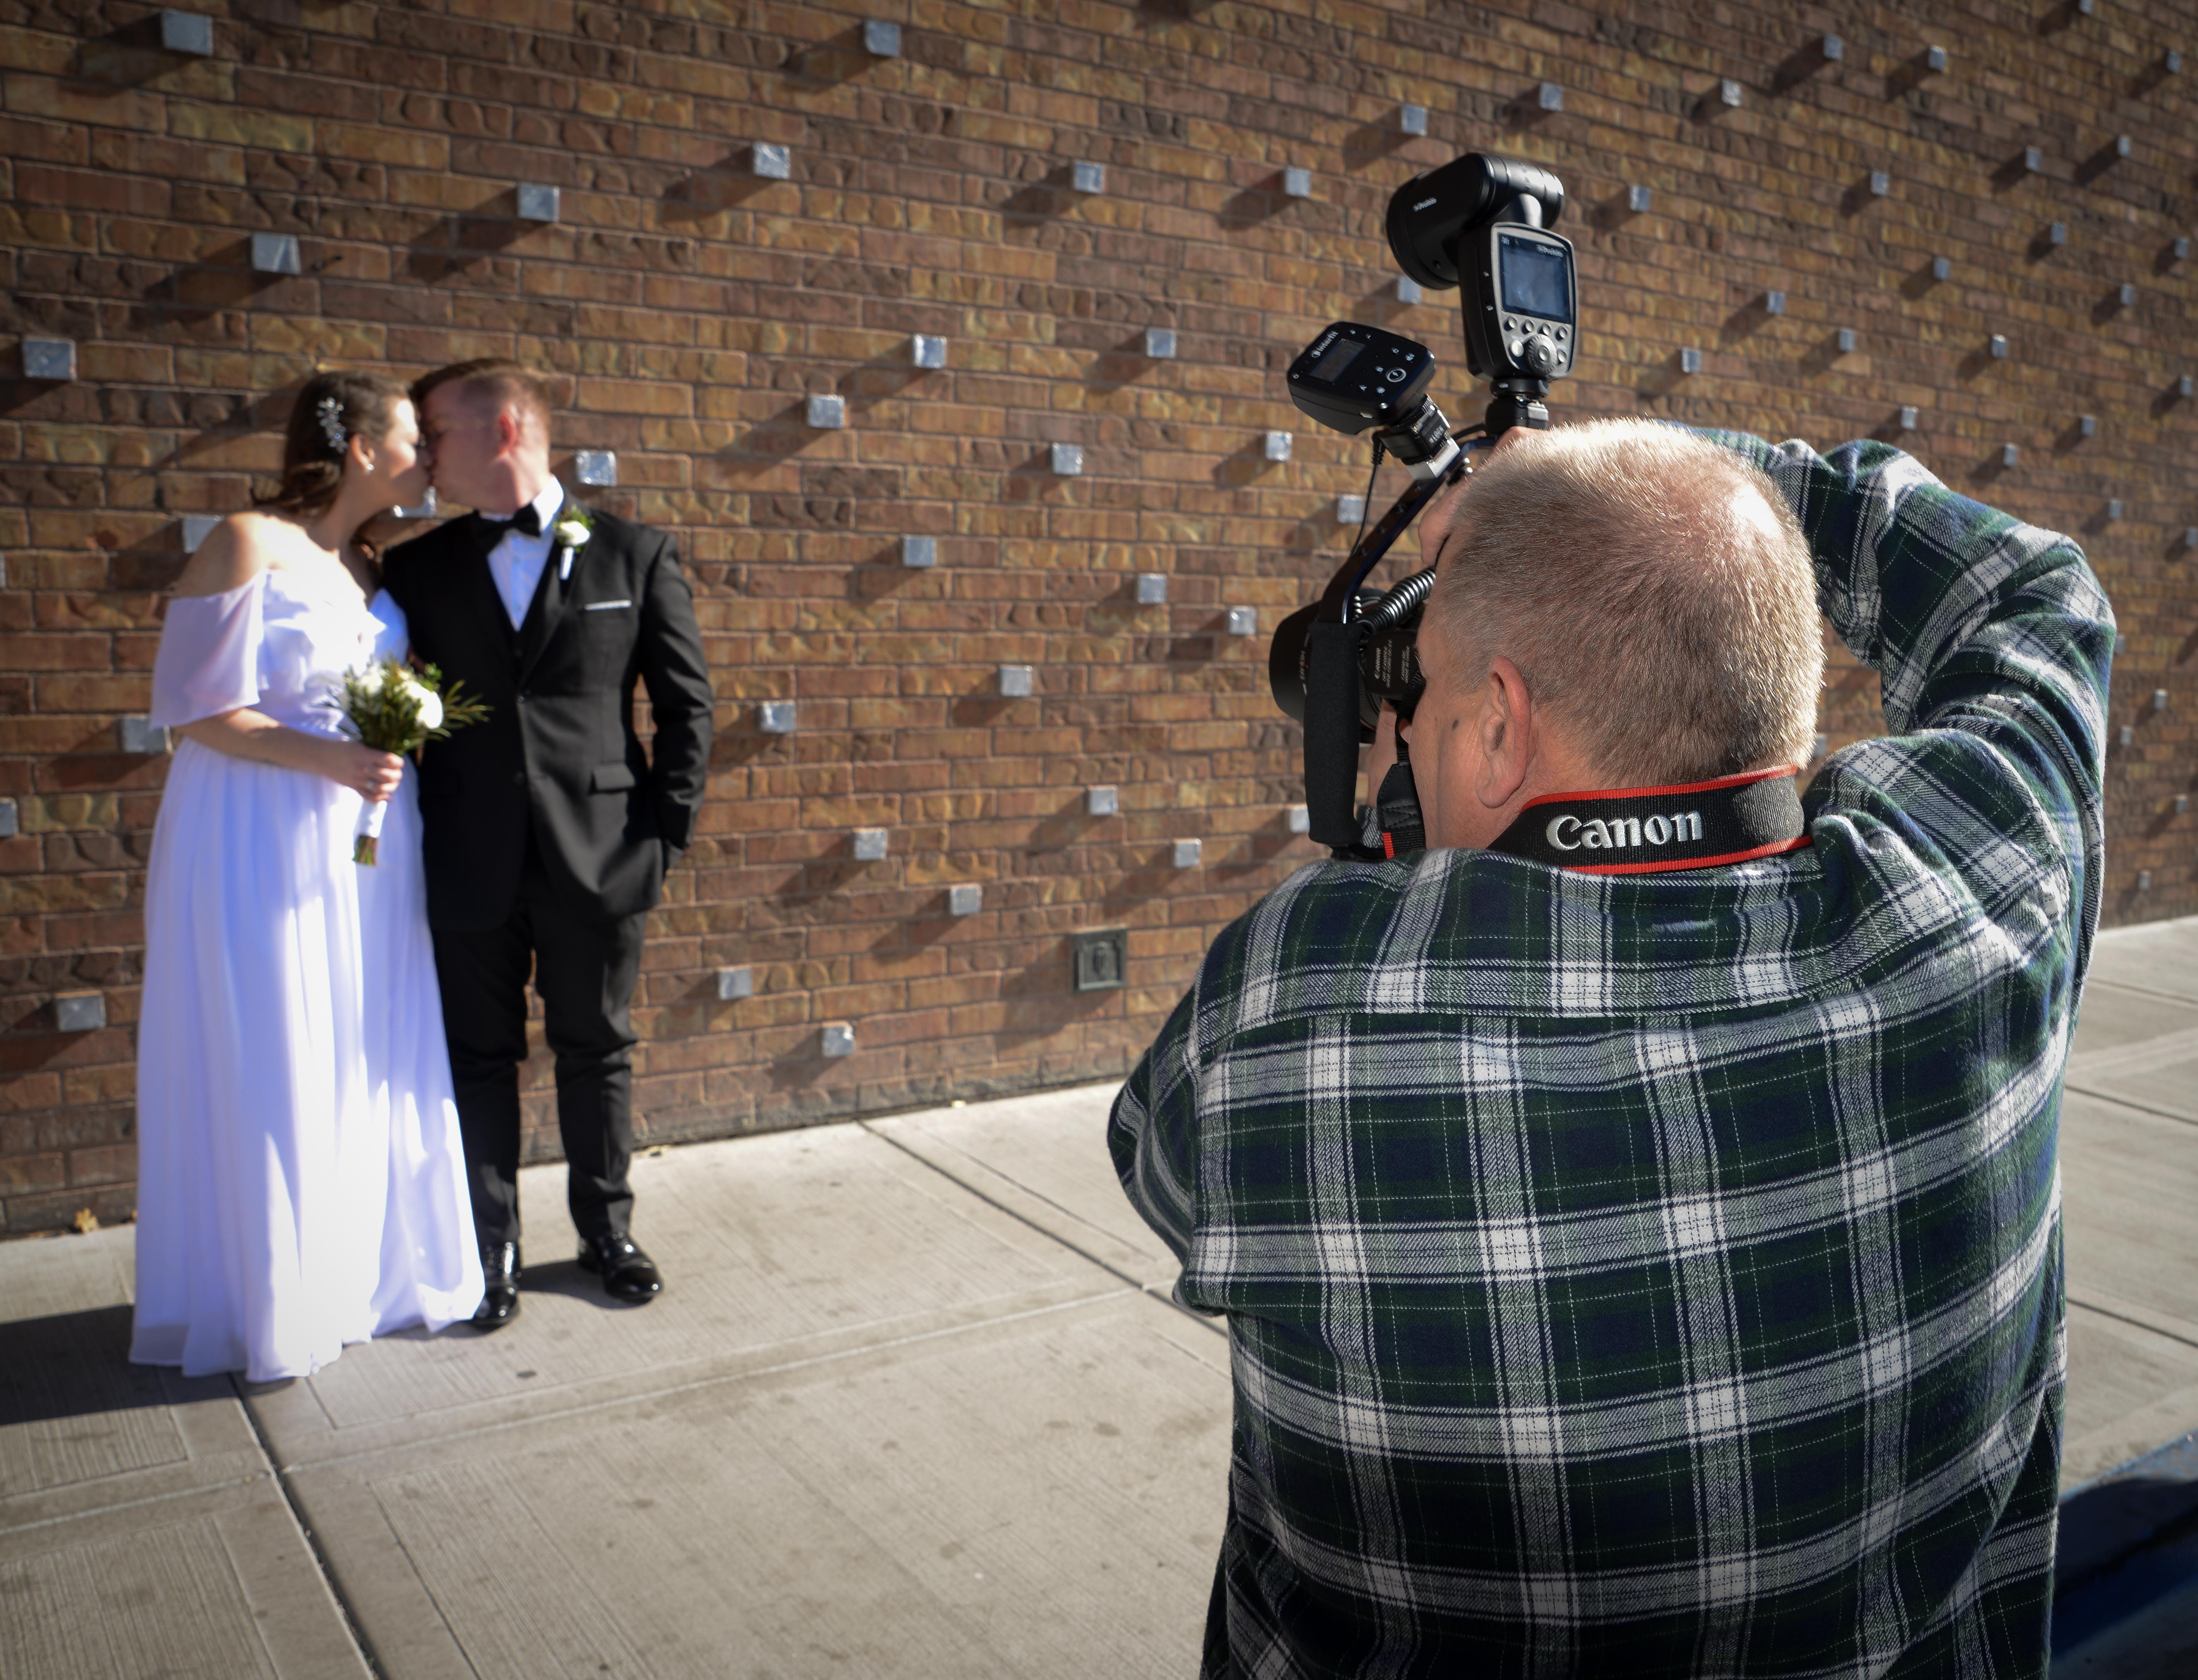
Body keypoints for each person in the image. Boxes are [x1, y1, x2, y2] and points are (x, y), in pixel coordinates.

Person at [1111, 419, 2110, 1677]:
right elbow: (2035, 589)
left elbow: (1161, 1169)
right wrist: (1689, 469)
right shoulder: (1980, 880)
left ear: (1497, 726)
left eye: (1420, 695)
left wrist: (1404, 857)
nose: (1399, 732)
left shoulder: (1295, 1002)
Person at [132, 371, 483, 1383]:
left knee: (359, 1037)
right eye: (416, 440)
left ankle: (356, 1274)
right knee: (277, 1037)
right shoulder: (247, 542)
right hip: (258, 830)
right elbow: (192, 710)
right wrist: (331, 758)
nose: (430, 460)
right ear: (362, 446)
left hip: (368, 844)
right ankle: (272, 1295)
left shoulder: (370, 569)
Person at [382, 360, 713, 1331]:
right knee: (476, 1058)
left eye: (436, 431)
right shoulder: (415, 568)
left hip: (603, 854)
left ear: (505, 428)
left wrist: (662, 840)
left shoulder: (635, 554)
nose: (425, 454)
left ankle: (605, 1234)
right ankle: (492, 1252)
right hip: (466, 854)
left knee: (596, 1048)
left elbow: (687, 709)